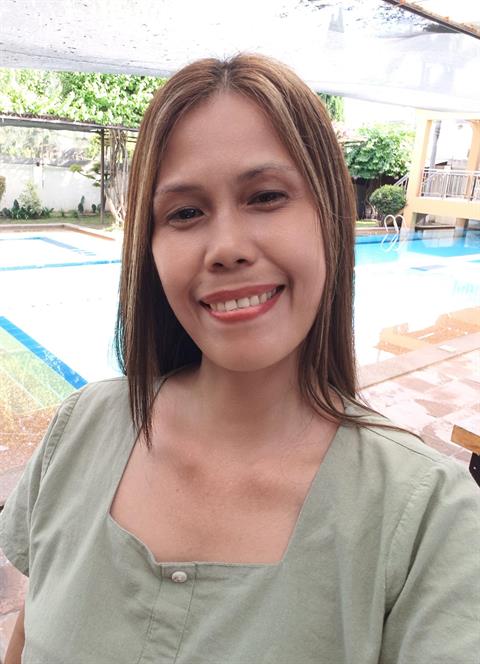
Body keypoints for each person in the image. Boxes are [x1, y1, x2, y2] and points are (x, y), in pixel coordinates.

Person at [1, 54, 478, 664]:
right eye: (185, 212)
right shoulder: (80, 430)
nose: (225, 248)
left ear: (331, 219)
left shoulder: (428, 520)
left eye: (266, 196)